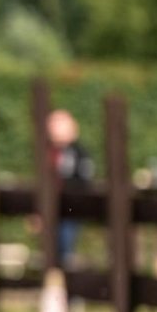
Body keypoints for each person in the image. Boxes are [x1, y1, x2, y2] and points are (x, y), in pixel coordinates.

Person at [47, 109, 95, 267]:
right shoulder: (48, 152)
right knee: (51, 252)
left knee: (65, 251)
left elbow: (83, 181)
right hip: (52, 208)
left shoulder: (78, 152)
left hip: (70, 210)